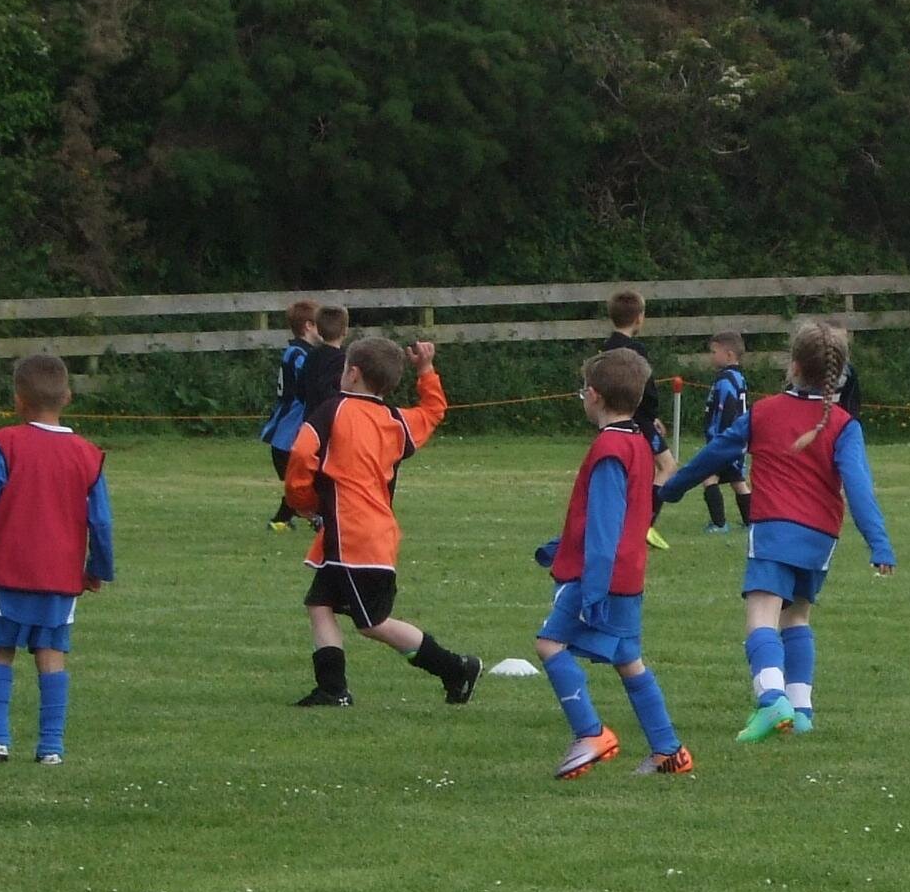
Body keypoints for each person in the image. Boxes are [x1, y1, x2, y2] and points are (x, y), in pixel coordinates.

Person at [662, 319, 893, 743]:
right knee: (797, 616)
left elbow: (712, 456)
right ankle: (801, 709)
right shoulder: (844, 424)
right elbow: (859, 489)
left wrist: (670, 489)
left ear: (793, 366)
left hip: (773, 530)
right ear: (837, 374)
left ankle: (770, 701)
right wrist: (879, 543)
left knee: (761, 616)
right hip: (821, 537)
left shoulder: (764, 413)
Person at [280, 335, 487, 707]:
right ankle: (332, 689)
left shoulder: (330, 412)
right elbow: (432, 411)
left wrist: (303, 503)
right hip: (368, 534)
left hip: (353, 537)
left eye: (344, 367)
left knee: (373, 623)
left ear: (353, 374)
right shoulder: (394, 420)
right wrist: (426, 370)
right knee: (319, 604)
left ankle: (456, 668)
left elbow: (300, 457)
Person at [529, 348, 693, 778]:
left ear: (595, 396)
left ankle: (590, 733)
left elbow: (605, 524)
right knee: (628, 659)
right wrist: (560, 545)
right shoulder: (639, 441)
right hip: (628, 573)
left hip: (597, 576)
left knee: (549, 644)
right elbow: (623, 514)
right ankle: (669, 750)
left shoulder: (609, 448)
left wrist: (593, 589)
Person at [0, 354, 116, 765]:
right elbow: (102, 522)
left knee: (0, 648)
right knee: (52, 654)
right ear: (68, 397)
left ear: (18, 401)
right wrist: (98, 569)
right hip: (61, 575)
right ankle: (51, 748)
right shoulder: (88, 455)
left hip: (11, 570)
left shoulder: (6, 443)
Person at [598, 289, 674, 552]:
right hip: (639, 420)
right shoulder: (636, 351)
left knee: (627, 472)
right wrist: (652, 417)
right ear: (639, 318)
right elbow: (647, 389)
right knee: (667, 466)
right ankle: (645, 524)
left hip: (611, 419)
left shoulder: (605, 349)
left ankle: (623, 522)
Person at [260, 300, 325, 530]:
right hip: (288, 435)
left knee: (302, 482)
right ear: (308, 326)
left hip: (296, 433)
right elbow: (310, 387)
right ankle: (316, 518)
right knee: (307, 481)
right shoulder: (297, 354)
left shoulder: (305, 352)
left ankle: (281, 521)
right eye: (321, 324)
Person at [684, 329, 753, 533]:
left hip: (724, 441)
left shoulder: (725, 381)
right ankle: (751, 522)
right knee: (737, 480)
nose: (711, 357)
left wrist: (720, 438)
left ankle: (719, 524)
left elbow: (728, 409)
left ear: (729, 354)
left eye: (714, 352)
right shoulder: (739, 378)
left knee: (709, 477)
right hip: (738, 440)